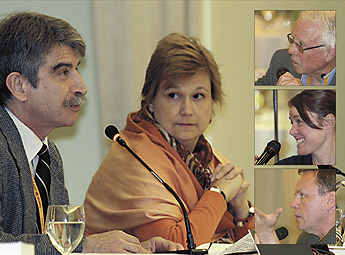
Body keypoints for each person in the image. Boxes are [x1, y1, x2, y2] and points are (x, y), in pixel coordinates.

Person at [0, 11, 183, 254]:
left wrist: (132, 248)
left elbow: (50, 245)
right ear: (19, 86)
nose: (81, 87)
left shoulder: (47, 152)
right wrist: (82, 247)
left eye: (76, 69)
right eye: (63, 72)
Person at [83, 32, 254, 248]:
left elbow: (252, 245)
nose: (187, 110)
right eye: (174, 95)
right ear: (150, 101)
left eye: (198, 96)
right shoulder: (133, 159)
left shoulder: (207, 158)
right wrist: (219, 194)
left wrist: (241, 210)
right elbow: (175, 246)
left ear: (213, 103)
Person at [255, 168, 335, 244]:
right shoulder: (306, 239)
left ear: (330, 200)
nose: (293, 204)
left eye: (302, 195)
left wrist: (269, 238)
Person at [255, 11, 336, 86]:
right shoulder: (282, 61)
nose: (290, 51)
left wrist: (300, 93)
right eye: (292, 39)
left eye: (301, 45)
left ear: (330, 53)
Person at [275, 90, 335, 165]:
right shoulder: (285, 165)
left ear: (327, 122)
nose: (291, 132)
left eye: (299, 121)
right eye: (292, 123)